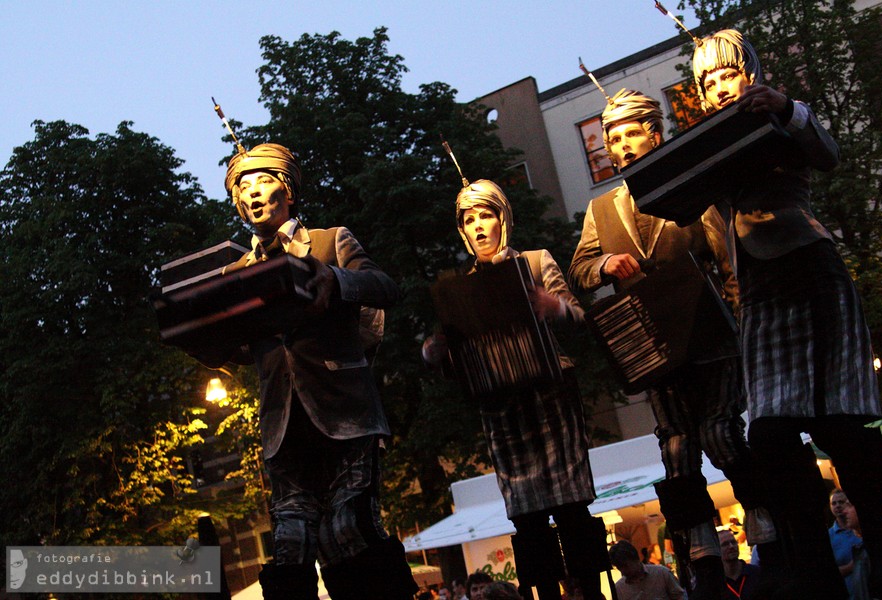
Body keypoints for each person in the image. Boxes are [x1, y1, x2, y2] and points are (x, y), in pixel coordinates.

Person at [692, 28, 882, 599]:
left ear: (750, 74)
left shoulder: (781, 117)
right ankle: (813, 561)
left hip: (810, 268)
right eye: (706, 80)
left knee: (842, 422)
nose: (716, 87)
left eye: (726, 74)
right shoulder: (711, 140)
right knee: (773, 432)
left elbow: (827, 152)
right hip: (758, 290)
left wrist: (788, 108)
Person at [567, 88, 772, 600]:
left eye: (630, 132)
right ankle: (701, 560)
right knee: (677, 452)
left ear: (653, 132)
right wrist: (604, 265)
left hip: (709, 337)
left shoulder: (690, 184)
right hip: (654, 350)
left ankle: (770, 531)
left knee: (722, 435)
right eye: (612, 137)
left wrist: (745, 326)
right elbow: (579, 269)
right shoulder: (603, 208)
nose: (621, 145)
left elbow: (728, 263)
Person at [197, 143, 416, 600]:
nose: (251, 193)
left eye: (262, 181)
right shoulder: (233, 272)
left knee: (349, 530)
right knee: (291, 547)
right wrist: (206, 344)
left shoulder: (330, 240)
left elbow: (384, 287)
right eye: (241, 186)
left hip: (346, 414)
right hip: (282, 424)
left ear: (289, 190)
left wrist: (334, 279)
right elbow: (245, 350)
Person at [423, 179, 607, 600]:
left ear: (502, 218)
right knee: (526, 516)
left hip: (551, 398)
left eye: (485, 215)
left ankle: (591, 593)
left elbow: (579, 319)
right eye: (469, 220)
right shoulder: (459, 288)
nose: (478, 227)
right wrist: (437, 354)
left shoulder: (536, 260)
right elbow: (458, 360)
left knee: (571, 506)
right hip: (502, 409)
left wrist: (554, 306)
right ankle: (542, 593)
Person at [609, 540, 684, 600]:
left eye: (625, 566)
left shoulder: (662, 573)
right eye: (619, 567)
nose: (623, 571)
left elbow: (679, 597)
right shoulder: (619, 589)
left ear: (635, 559)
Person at [830, 488, 864, 594]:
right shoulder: (830, 536)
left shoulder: (860, 529)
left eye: (841, 502)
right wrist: (851, 566)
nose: (837, 506)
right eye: (834, 503)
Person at [719, 528, 761, 599]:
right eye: (725, 544)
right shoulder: (716, 583)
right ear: (717, 549)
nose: (731, 546)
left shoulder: (756, 573)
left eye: (733, 542)